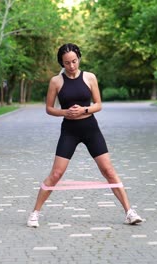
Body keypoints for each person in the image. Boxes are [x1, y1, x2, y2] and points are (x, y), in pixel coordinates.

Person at [27, 43, 143, 228]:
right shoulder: (56, 82)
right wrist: (65, 112)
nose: (71, 66)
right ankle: (34, 213)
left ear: (79, 58)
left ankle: (129, 212)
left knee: (109, 171)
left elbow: (98, 104)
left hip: (90, 129)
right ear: (61, 63)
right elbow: (49, 108)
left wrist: (84, 109)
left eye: (74, 61)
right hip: (69, 131)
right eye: (67, 63)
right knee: (56, 174)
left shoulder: (90, 77)